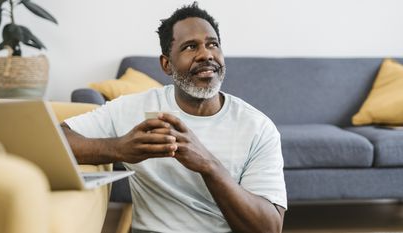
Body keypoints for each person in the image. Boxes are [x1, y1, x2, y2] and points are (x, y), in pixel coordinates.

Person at [61, 2, 287, 233]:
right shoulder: (133, 108)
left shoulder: (258, 127)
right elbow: (56, 138)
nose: (206, 54)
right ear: (166, 64)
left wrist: (209, 166)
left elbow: (269, 227)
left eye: (213, 45)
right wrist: (119, 148)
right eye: (191, 47)